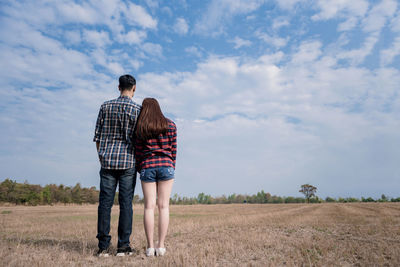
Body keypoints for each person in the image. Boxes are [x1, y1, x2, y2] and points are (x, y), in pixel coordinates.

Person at [93, 74, 141, 257]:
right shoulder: (138, 109)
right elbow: (139, 138)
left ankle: (103, 247)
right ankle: (123, 246)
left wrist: (101, 156)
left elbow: (97, 137)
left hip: (107, 160)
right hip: (128, 161)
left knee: (105, 204)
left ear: (118, 87)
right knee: (126, 204)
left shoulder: (105, 106)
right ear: (134, 88)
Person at [135, 98, 177, 257]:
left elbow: (138, 152)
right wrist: (171, 166)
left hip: (147, 166)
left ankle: (150, 247)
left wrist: (141, 168)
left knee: (149, 207)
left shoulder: (141, 127)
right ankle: (161, 246)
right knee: (164, 206)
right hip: (166, 165)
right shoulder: (171, 125)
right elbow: (174, 150)